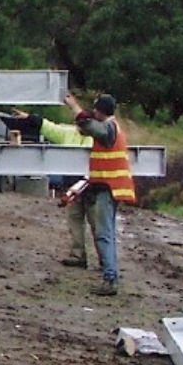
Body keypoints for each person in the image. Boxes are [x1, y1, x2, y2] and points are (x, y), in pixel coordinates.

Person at [63, 91, 136, 295]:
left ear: (100, 111)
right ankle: (110, 276)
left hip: (108, 189)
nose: (93, 112)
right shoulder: (113, 128)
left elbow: (89, 127)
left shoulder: (109, 129)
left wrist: (74, 107)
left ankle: (110, 279)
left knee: (104, 235)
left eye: (95, 109)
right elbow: (87, 129)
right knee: (107, 234)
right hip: (108, 188)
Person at [6, 109, 92, 268]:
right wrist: (30, 118)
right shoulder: (69, 134)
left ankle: (104, 260)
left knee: (98, 226)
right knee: (75, 221)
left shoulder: (98, 138)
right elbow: (48, 127)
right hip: (73, 188)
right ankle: (78, 255)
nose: (79, 127)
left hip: (93, 186)